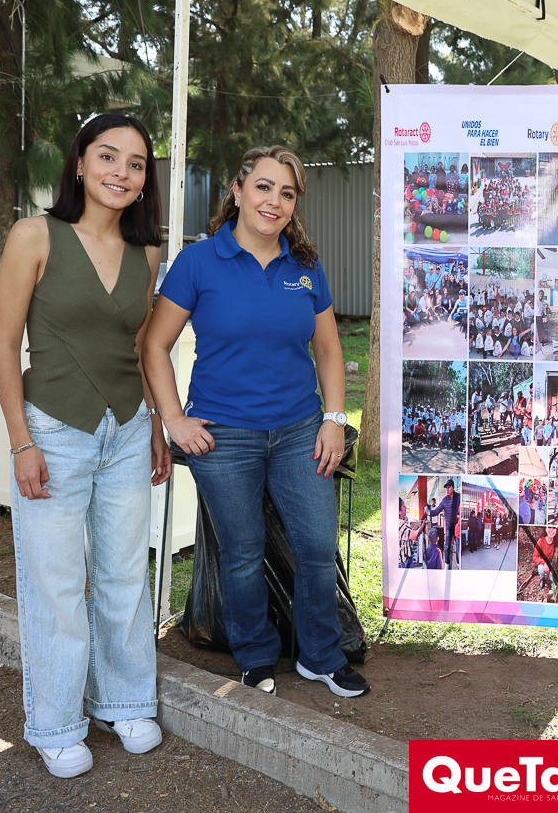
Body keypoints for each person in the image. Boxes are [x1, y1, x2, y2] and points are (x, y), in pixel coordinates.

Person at [142, 145, 370, 700]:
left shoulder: (305, 267)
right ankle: (255, 655)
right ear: (238, 191)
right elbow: (154, 344)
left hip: (300, 431)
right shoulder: (199, 262)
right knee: (242, 552)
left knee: (316, 546)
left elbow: (329, 351)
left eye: (286, 193)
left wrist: (334, 418)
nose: (274, 201)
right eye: (264, 187)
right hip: (223, 437)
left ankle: (320, 656)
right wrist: (174, 420)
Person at [0, 113, 170, 778]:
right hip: (52, 430)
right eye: (108, 156)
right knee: (57, 583)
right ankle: (57, 722)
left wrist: (155, 423)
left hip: (127, 428)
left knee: (125, 574)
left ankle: (123, 700)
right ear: (79, 162)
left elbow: (137, 348)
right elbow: (4, 346)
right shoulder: (34, 236)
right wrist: (20, 443)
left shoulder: (147, 252)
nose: (121, 172)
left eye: (136, 163)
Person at [427, 479, 461, 569]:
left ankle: (458, 564)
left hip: (457, 527)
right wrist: (429, 513)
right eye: (446, 488)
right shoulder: (445, 500)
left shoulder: (459, 497)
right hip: (449, 527)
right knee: (447, 546)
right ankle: (447, 564)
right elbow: (437, 510)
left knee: (458, 546)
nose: (447, 489)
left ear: (453, 488)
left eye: (449, 487)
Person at [532, 524, 558, 600]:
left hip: (552, 563)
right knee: (541, 568)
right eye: (549, 527)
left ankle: (551, 583)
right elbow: (535, 557)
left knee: (554, 577)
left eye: (553, 528)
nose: (551, 530)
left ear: (556, 530)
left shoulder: (557, 541)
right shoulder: (541, 541)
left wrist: (552, 567)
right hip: (543, 563)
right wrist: (544, 563)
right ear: (546, 529)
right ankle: (542, 578)